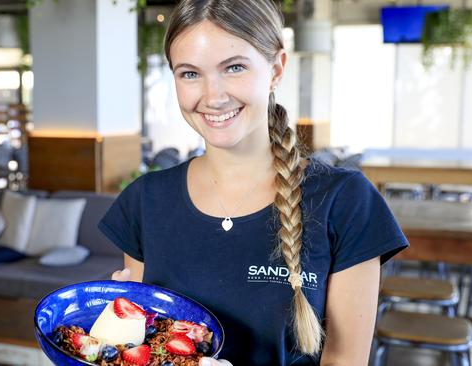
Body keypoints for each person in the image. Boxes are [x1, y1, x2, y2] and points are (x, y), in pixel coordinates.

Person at [100, 0, 409, 365]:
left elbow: (344, 360)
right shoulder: (146, 200)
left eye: (234, 68)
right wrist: (116, 338)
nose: (213, 96)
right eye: (189, 73)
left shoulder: (345, 201)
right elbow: (149, 349)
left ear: (276, 69)